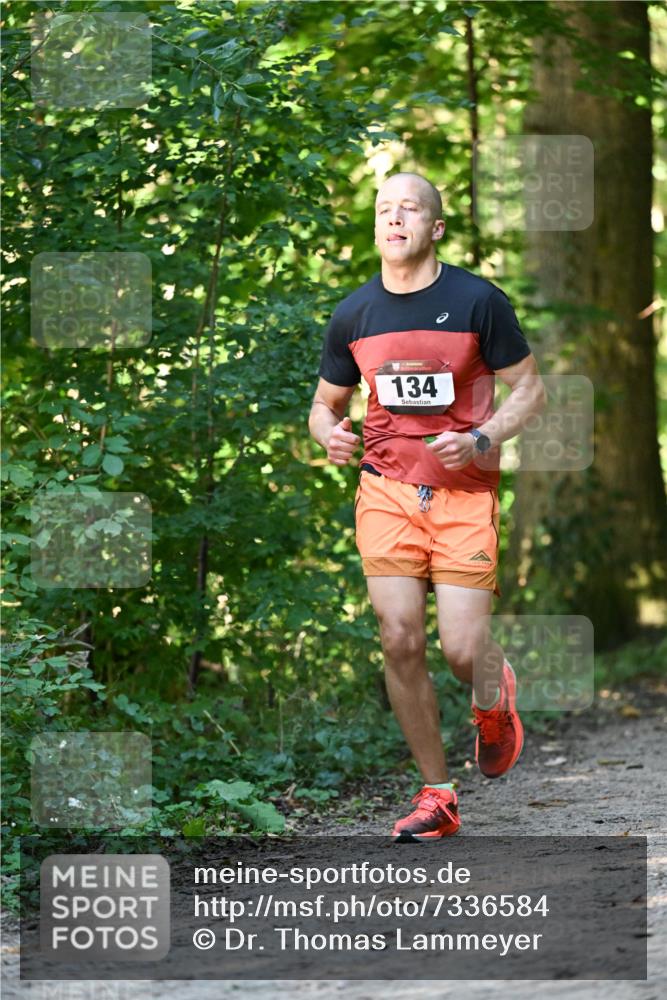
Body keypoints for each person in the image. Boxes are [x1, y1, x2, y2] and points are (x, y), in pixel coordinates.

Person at [308, 171, 546, 841]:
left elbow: (529, 392)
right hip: (384, 489)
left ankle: (493, 694)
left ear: (434, 227)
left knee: (462, 648)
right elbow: (324, 406)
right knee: (398, 638)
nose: (394, 217)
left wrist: (480, 437)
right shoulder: (353, 314)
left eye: (409, 208)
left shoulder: (477, 301)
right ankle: (437, 796)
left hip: (463, 494)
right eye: (384, 208)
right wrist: (329, 434)